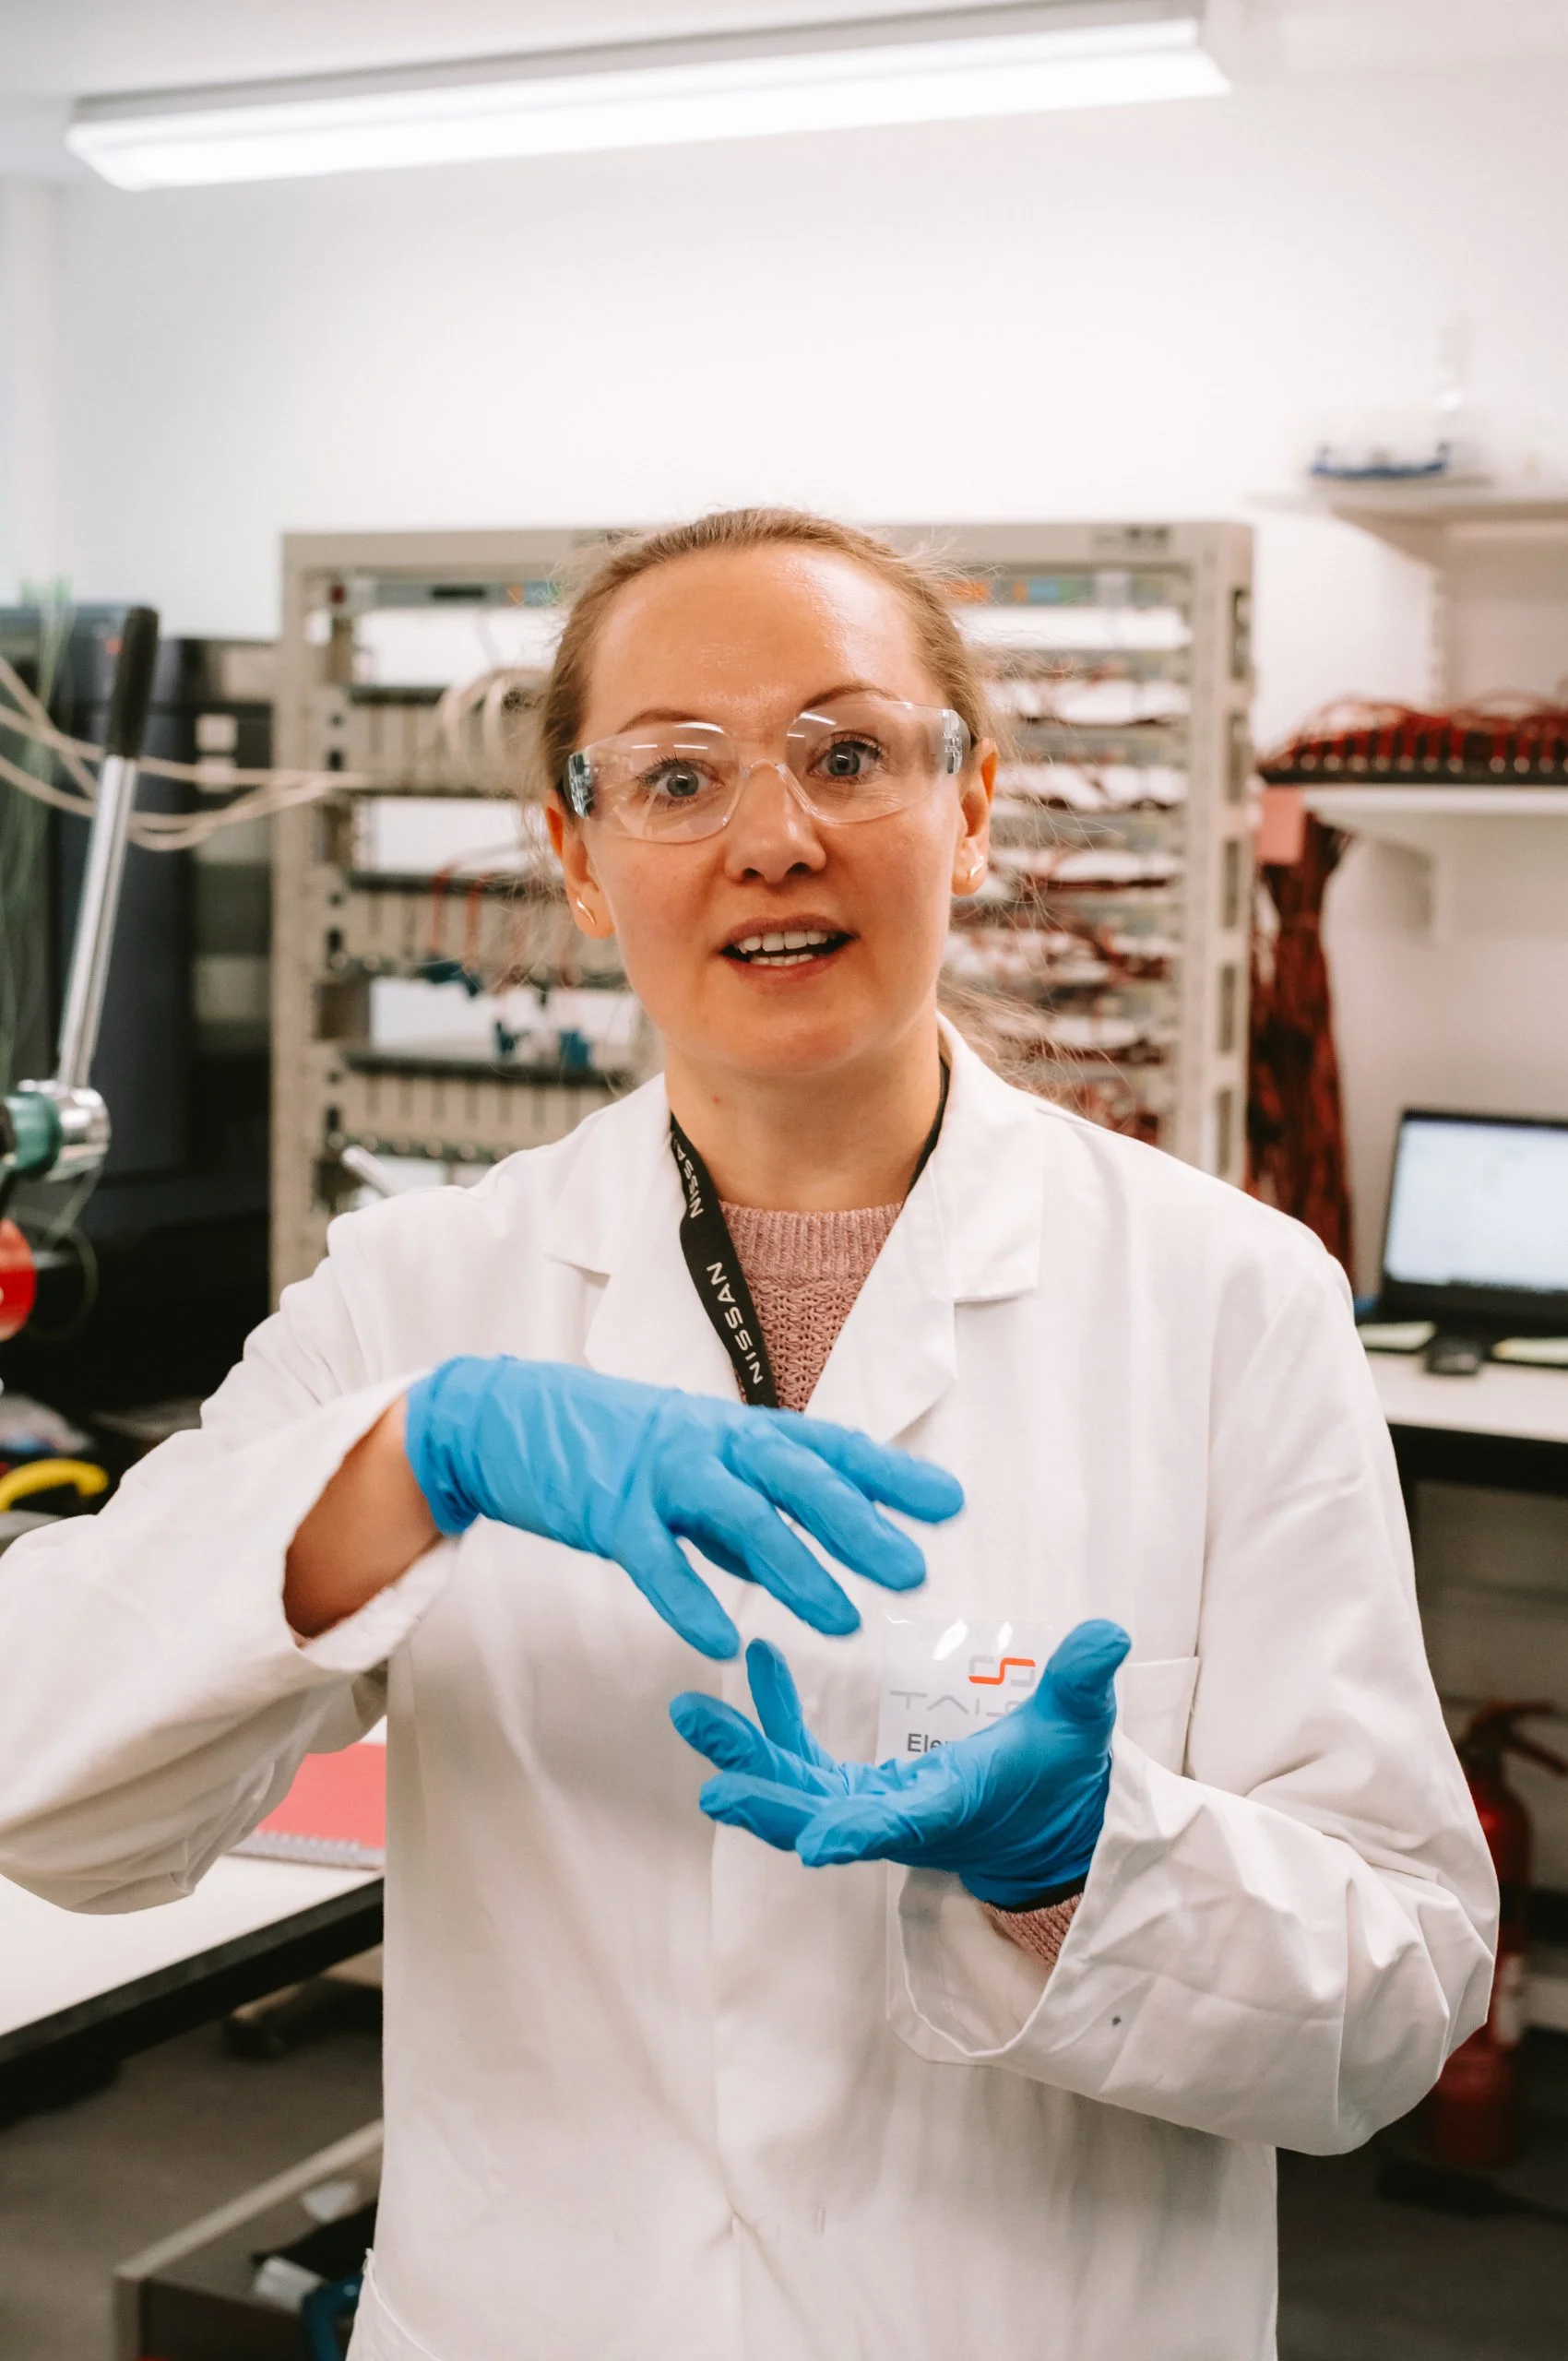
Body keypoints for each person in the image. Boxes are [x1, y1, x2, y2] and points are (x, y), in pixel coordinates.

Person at [0, 508, 1493, 2361]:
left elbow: (1400, 1994)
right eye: (676, 777)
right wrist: (407, 1457)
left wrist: (1081, 1858)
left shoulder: (1229, 1297)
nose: (772, 835)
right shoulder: (420, 1291)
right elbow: (43, 1787)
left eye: (849, 752)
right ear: (576, 855)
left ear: (971, 804)